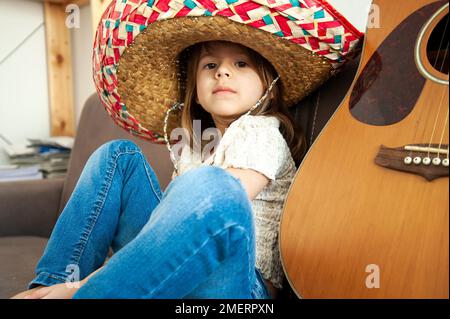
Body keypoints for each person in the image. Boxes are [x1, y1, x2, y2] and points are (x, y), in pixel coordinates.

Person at [12, 0, 363, 299]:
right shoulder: (193, 144)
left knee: (212, 184)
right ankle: (50, 286)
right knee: (117, 156)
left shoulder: (263, 133)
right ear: (194, 89)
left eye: (241, 64)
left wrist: (88, 285)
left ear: (269, 88)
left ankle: (84, 292)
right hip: (183, 265)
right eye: (210, 66)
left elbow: (215, 205)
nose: (223, 72)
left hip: (240, 286)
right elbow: (169, 229)